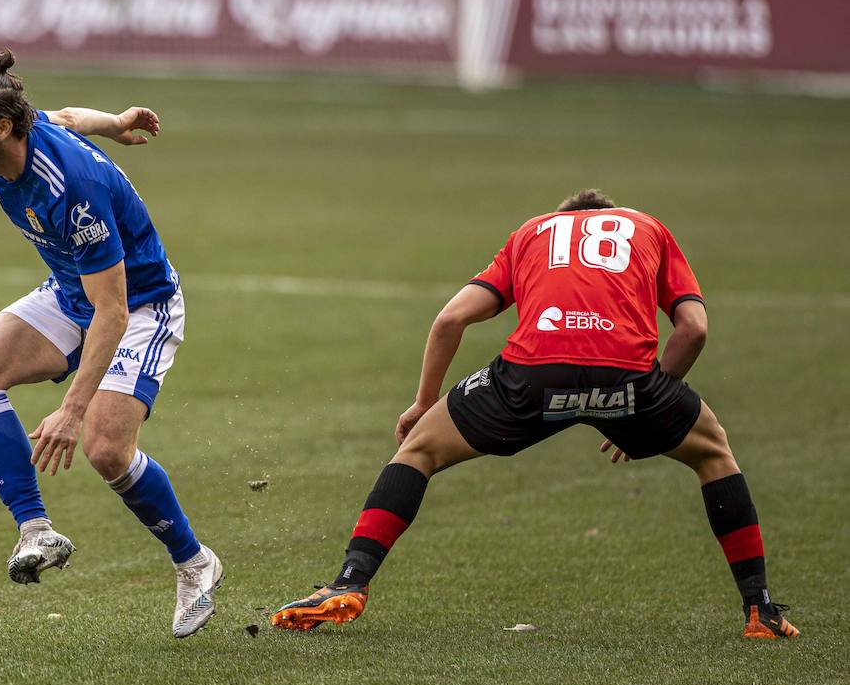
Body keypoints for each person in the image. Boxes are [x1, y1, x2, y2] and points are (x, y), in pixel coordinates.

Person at [272, 189, 799, 640]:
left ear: (562, 216)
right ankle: (760, 609)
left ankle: (350, 581)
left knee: (419, 452)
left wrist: (423, 402)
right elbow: (694, 329)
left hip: (531, 376)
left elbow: (449, 320)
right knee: (715, 454)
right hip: (628, 379)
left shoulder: (533, 233)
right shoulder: (649, 229)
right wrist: (648, 405)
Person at [0, 50, 221, 639]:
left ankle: (195, 562)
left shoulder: (73, 188)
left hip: (139, 306)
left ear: (2, 129)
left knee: (105, 449)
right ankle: (35, 531)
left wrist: (71, 409)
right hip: (72, 292)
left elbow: (114, 311)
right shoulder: (17, 135)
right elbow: (66, 115)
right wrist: (116, 123)